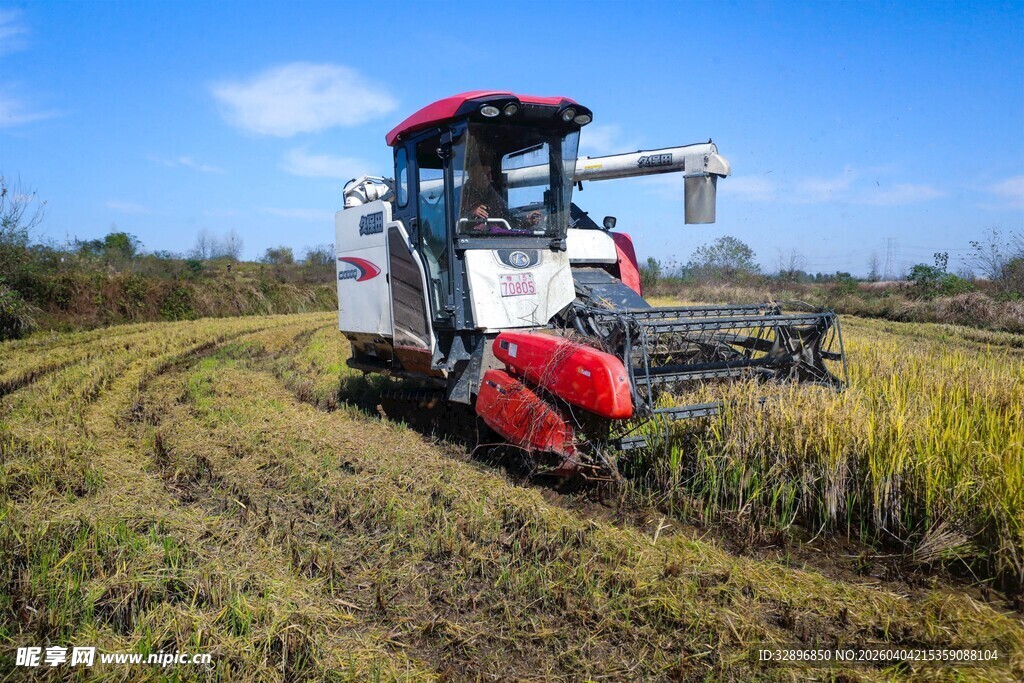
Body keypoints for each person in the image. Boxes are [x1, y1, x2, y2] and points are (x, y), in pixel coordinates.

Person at [460, 150, 542, 234]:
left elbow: (509, 217)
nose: (487, 178)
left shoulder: (493, 194)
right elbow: (452, 221)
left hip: (497, 241)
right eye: (482, 174)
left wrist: (527, 220)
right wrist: (472, 213)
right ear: (471, 174)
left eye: (488, 173)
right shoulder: (461, 194)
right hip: (471, 240)